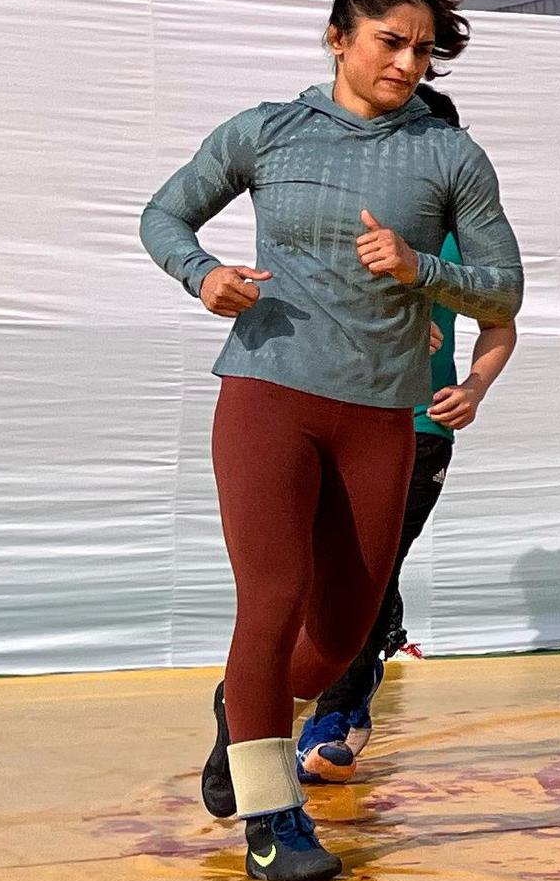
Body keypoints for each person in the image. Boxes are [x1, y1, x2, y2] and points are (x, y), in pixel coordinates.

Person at [140, 0, 523, 881]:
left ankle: (244, 710)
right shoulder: (267, 130)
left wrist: (418, 264)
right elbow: (164, 213)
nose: (408, 61)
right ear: (338, 37)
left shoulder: (449, 155)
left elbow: (503, 289)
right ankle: (274, 818)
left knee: (344, 631)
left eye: (423, 48)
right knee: (272, 599)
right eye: (392, 41)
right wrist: (202, 275)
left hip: (380, 416)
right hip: (268, 392)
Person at [199, 89, 517, 802]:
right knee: (285, 592)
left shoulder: (453, 223)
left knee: (363, 595)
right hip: (304, 405)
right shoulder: (326, 199)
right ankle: (277, 763)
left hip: (415, 428)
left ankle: (313, 711)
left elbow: (502, 312)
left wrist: (472, 383)